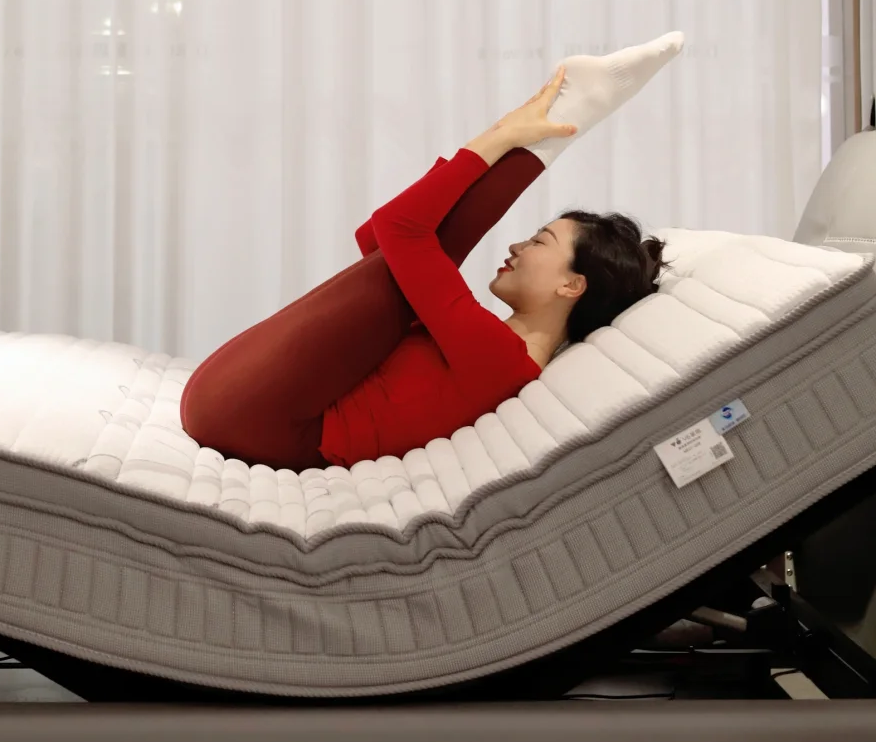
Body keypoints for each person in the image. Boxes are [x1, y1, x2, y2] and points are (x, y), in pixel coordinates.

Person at [179, 32, 683, 471]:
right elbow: (376, 241)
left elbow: (397, 229)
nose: (516, 245)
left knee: (423, 249)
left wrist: (499, 136)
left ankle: (555, 123)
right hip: (244, 413)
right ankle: (555, 123)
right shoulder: (487, 346)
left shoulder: (502, 358)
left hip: (255, 420)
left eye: (539, 242)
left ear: (572, 285)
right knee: (409, 259)